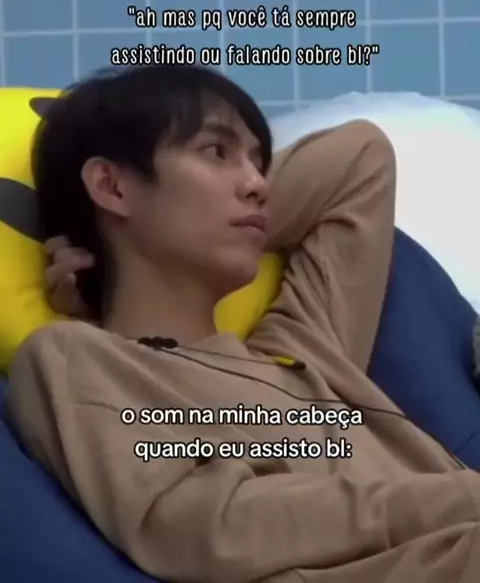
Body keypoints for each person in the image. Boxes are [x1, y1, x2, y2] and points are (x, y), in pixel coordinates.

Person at [6, 64, 480, 583]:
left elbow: (359, 159)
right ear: (112, 186)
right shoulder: (79, 359)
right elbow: (200, 525)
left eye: (258, 162)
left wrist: (215, 222)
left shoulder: (308, 352)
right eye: (216, 151)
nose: (257, 183)